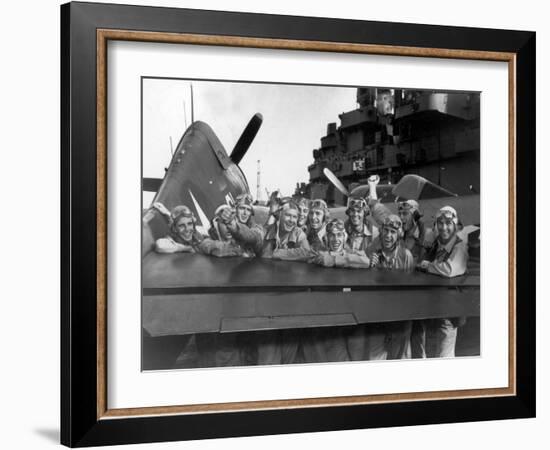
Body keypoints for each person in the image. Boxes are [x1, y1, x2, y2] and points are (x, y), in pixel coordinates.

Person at [416, 206, 469, 358]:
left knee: (444, 357)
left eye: (448, 223)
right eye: (440, 223)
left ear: (455, 225)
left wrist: (427, 265)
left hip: (449, 313)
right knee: (432, 354)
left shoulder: (460, 246)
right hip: (434, 309)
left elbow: (449, 269)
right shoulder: (437, 243)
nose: (444, 227)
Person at [365, 215, 414, 360]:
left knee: (399, 359)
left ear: (398, 235)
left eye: (393, 232)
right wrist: (369, 265)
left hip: (400, 315)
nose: (388, 235)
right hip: (377, 314)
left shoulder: (406, 256)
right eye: (386, 230)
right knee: (374, 357)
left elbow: (411, 290)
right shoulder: (371, 250)